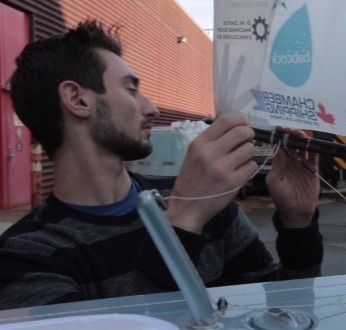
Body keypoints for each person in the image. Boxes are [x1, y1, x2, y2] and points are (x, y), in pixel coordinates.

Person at [0, 20, 322, 309]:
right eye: (130, 89)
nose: (152, 108)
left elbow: (285, 311)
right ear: (78, 100)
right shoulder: (26, 255)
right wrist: (183, 223)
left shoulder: (204, 201)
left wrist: (298, 225)